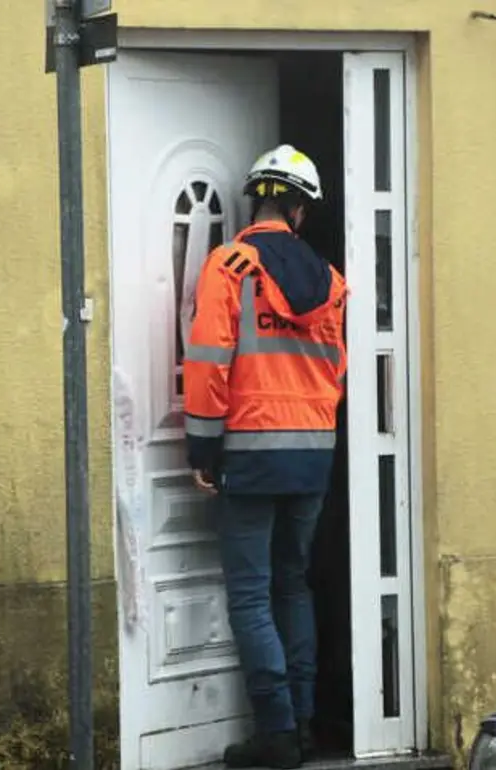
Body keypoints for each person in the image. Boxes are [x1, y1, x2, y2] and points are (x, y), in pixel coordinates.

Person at [183, 144, 348, 769]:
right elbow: (338, 372)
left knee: (251, 595)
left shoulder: (229, 266)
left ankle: (276, 734)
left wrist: (203, 444)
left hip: (249, 452)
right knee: (293, 585)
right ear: (301, 212)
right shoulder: (330, 282)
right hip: (312, 455)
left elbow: (207, 362)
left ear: (258, 203)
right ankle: (303, 724)